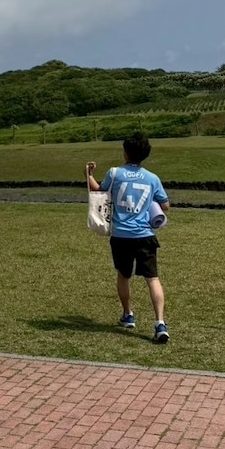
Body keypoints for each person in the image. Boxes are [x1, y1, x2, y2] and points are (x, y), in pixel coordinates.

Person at [86, 132, 171, 344]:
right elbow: (166, 205)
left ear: (125, 152)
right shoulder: (152, 178)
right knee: (153, 279)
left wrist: (88, 174)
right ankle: (160, 323)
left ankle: (128, 314)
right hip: (145, 235)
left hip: (121, 235)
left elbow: (99, 191)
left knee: (123, 275)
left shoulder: (115, 173)